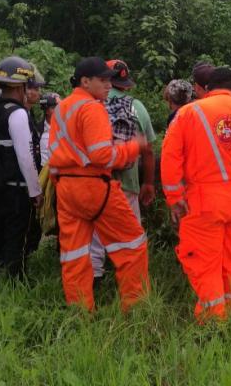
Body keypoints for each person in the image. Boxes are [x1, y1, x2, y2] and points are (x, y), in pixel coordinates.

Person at [160, 66, 231, 322]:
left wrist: (174, 197)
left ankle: (213, 323)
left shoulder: (187, 114)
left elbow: (170, 158)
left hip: (202, 205)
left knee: (205, 263)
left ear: (207, 89)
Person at [47, 56, 152, 313]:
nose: (109, 85)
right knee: (132, 244)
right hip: (94, 186)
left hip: (65, 188)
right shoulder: (92, 108)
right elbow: (102, 156)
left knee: (74, 253)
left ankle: (80, 311)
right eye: (103, 80)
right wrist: (132, 147)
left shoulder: (62, 108)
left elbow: (57, 151)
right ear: (85, 81)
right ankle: (136, 307)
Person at [0, 56, 44, 280]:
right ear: (21, 86)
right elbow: (25, 156)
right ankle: (17, 279)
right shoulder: (17, 113)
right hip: (14, 189)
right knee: (17, 235)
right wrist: (35, 191)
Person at [89, 59, 156, 286]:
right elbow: (147, 150)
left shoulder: (90, 103)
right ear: (126, 84)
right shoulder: (137, 107)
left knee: (96, 236)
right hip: (127, 182)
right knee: (131, 237)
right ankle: (132, 285)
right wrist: (148, 183)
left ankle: (94, 281)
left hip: (96, 181)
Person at [39, 92, 60, 166]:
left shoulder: (66, 127)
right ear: (46, 111)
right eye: (54, 107)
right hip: (43, 172)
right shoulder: (38, 130)